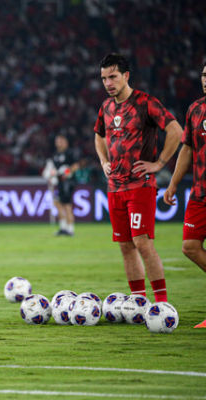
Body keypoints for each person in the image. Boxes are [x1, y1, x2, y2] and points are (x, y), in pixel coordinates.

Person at [94, 53, 182, 302]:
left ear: (126, 76)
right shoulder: (106, 107)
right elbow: (99, 136)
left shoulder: (145, 102)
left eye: (113, 77)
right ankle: (139, 302)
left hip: (140, 185)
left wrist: (160, 163)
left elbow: (176, 130)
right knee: (125, 246)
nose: (108, 83)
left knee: (142, 242)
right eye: (104, 78)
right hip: (115, 187)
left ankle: (162, 303)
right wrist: (103, 161)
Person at [163, 61, 206, 328]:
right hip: (200, 193)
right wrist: (173, 184)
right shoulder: (195, 109)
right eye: (203, 75)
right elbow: (187, 149)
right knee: (189, 247)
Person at [43, 135, 79, 236]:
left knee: (67, 205)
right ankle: (63, 227)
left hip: (68, 182)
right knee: (57, 203)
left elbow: (76, 165)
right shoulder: (55, 154)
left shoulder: (70, 153)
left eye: (60, 141)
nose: (58, 143)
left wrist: (66, 172)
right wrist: (51, 174)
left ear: (65, 142)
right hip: (59, 182)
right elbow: (54, 168)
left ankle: (70, 229)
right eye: (57, 141)